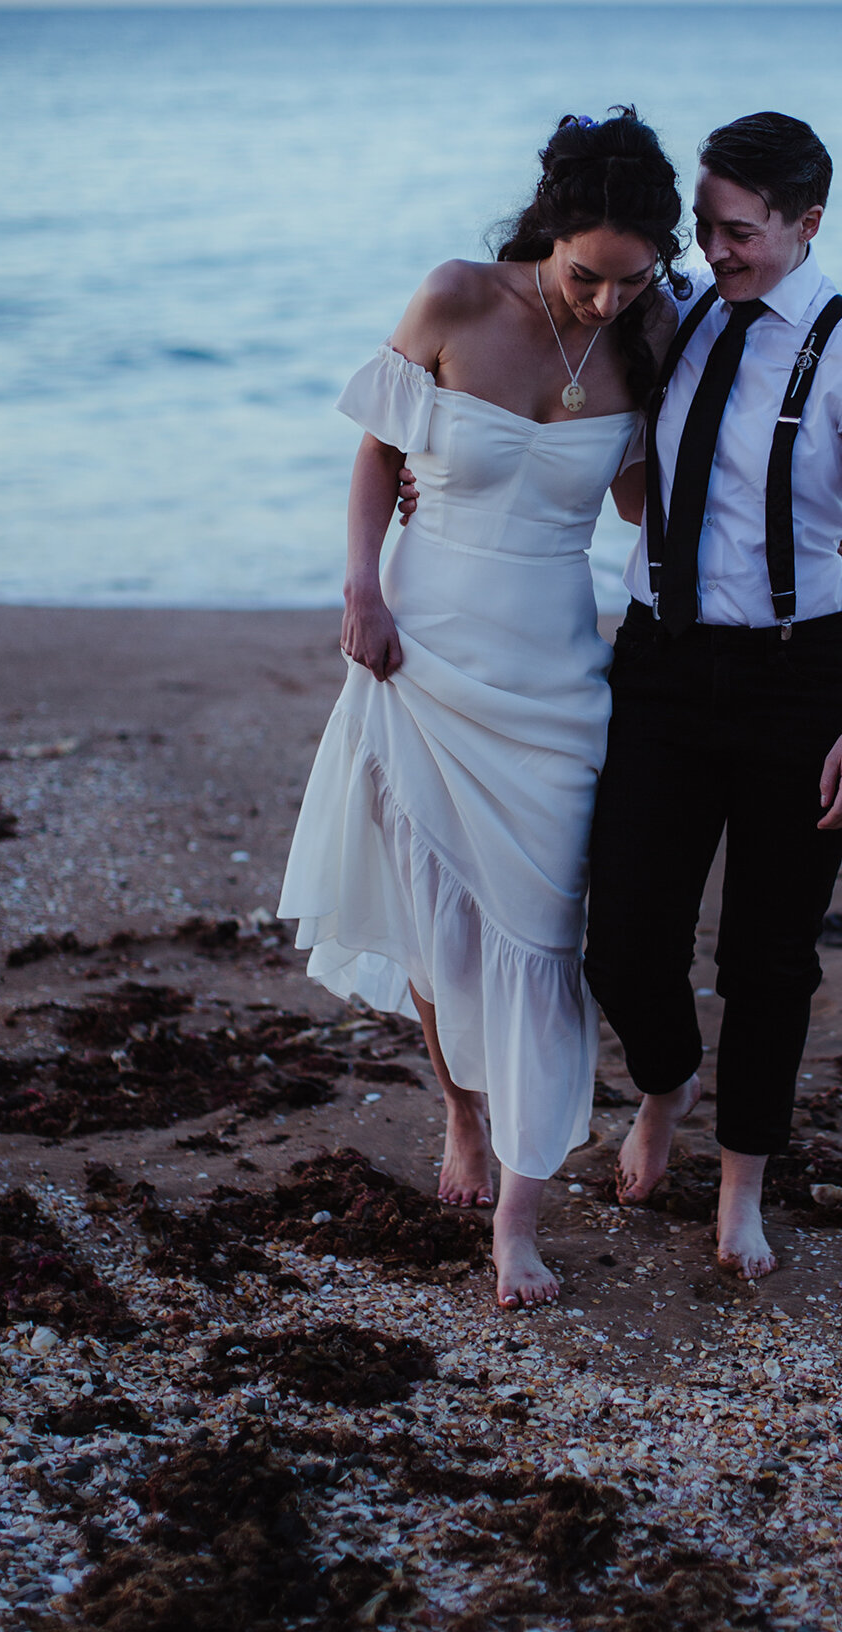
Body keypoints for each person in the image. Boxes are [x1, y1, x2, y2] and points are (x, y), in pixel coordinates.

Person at [278, 110, 685, 1309]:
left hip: (558, 677)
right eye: (585, 274)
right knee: (432, 912)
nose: (607, 300)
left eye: (633, 276)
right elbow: (373, 453)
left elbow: (627, 506)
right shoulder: (456, 298)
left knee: (543, 937)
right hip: (421, 649)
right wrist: (360, 585)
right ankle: (460, 1107)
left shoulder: (652, 327)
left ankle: (518, 1215)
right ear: (547, 229)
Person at [585, 111, 842, 1279]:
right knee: (622, 937)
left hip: (799, 678)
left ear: (807, 223)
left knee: (769, 956)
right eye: (707, 225)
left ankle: (741, 1187)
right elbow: (605, 458)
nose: (716, 249)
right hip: (661, 665)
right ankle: (666, 1079)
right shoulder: (672, 319)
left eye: (740, 232)